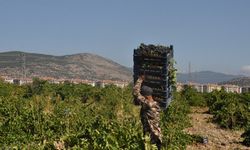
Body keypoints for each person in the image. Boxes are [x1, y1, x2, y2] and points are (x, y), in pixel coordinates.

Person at [133, 75, 162, 150]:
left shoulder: (148, 104)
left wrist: (140, 79)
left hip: (152, 137)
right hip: (156, 135)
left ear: (145, 96)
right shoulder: (156, 104)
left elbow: (135, 92)